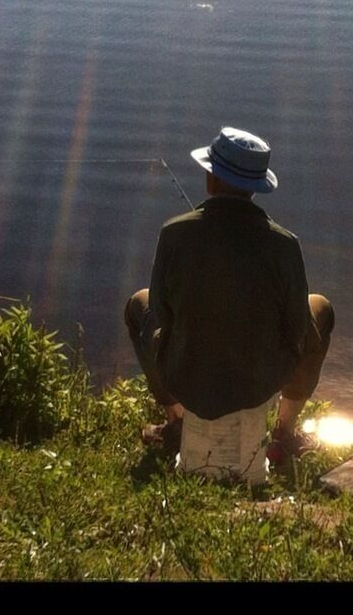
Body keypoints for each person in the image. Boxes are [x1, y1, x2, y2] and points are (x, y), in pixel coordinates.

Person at [125, 126, 334, 468]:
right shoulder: (285, 244)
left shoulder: (174, 232)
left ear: (212, 181)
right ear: (256, 187)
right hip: (261, 382)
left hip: (185, 374)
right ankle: (284, 431)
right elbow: (297, 324)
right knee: (320, 308)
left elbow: (161, 313)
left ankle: (177, 419)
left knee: (139, 304)